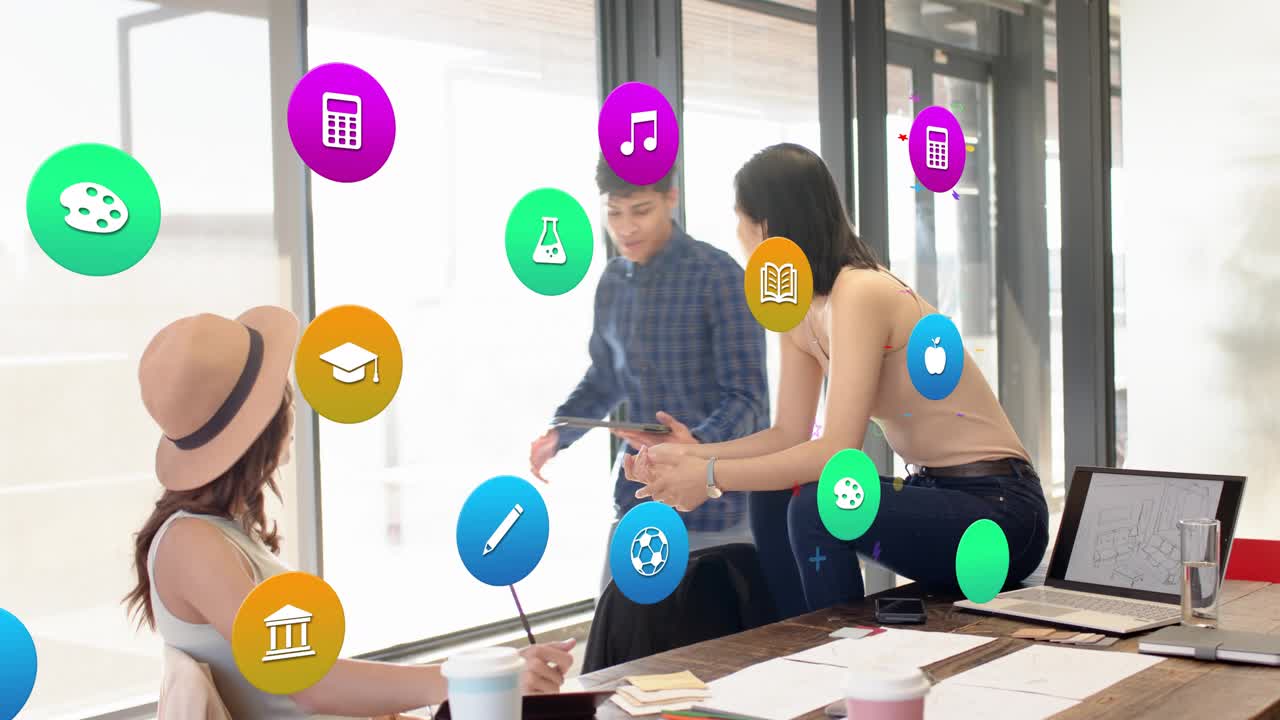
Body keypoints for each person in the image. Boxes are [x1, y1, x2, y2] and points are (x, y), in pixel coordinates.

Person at [625, 143, 1050, 610]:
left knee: (817, 506)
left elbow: (836, 452)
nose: (738, 236)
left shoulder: (860, 291)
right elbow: (789, 434)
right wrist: (691, 454)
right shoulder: (797, 311)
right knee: (774, 495)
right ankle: (795, 640)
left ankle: (840, 647)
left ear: (765, 226)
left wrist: (707, 475)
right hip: (937, 496)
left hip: (1001, 514)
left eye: (740, 220)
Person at [125, 307, 574, 719]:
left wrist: (491, 667)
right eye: (282, 391)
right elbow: (310, 684)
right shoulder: (192, 544)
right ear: (263, 424)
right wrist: (481, 676)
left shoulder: (218, 533)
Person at [528, 157, 803, 612]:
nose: (626, 228)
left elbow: (747, 398)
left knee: (714, 659)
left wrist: (694, 446)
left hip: (715, 506)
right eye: (614, 213)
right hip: (637, 495)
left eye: (640, 210)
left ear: (670, 199)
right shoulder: (613, 281)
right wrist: (561, 432)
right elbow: (605, 377)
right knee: (616, 650)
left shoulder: (719, 276)